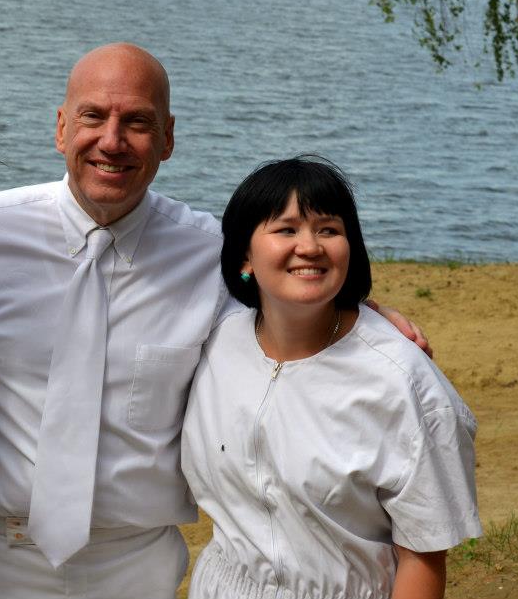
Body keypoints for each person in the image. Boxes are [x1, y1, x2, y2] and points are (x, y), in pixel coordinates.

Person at [0, 43, 430, 599]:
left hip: (135, 567)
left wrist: (366, 317)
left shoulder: (213, 253)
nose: (112, 141)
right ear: (62, 128)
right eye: (93, 117)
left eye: (137, 122)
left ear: (168, 138)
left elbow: (295, 302)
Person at [181, 156, 481, 599]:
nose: (310, 246)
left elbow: (423, 558)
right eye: (286, 229)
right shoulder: (211, 339)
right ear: (245, 254)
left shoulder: (404, 383)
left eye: (328, 230)